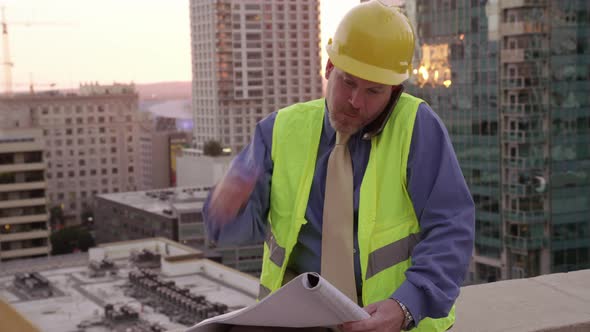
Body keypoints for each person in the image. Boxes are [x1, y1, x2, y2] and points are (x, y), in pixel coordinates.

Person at [203, 1, 475, 331]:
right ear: (329, 67)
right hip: (296, 322)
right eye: (348, 82)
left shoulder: (417, 128)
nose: (356, 102)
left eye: (373, 91)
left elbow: (452, 229)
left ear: (394, 91)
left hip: (394, 324)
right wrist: (226, 208)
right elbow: (238, 231)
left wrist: (406, 304)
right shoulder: (279, 131)